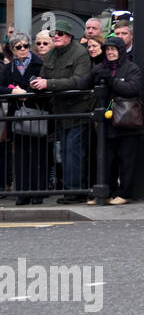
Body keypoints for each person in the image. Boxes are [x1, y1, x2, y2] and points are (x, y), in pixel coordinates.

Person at [28, 20, 94, 203]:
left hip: (77, 111)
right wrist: (36, 83)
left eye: (60, 33)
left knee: (73, 152)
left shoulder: (80, 54)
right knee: (64, 152)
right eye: (54, 33)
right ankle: (69, 190)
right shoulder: (50, 55)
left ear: (69, 36)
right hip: (60, 111)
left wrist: (48, 84)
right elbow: (44, 76)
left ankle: (76, 192)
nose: (55, 36)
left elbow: (79, 81)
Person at [92, 35, 144, 204]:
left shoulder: (132, 68)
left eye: (113, 49)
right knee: (107, 160)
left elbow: (132, 88)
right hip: (108, 123)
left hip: (127, 122)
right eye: (107, 49)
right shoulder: (101, 67)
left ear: (121, 51)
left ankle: (125, 194)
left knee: (127, 160)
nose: (110, 52)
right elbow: (81, 81)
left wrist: (112, 81)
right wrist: (48, 84)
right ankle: (106, 193)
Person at [1, 32, 49, 204]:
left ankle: (38, 193)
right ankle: (22, 193)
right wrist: (13, 92)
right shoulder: (8, 68)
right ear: (13, 50)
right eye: (18, 47)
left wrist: (30, 94)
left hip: (36, 112)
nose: (23, 49)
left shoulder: (40, 64)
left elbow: (49, 85)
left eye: (25, 46)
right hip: (17, 115)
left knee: (38, 154)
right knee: (20, 156)